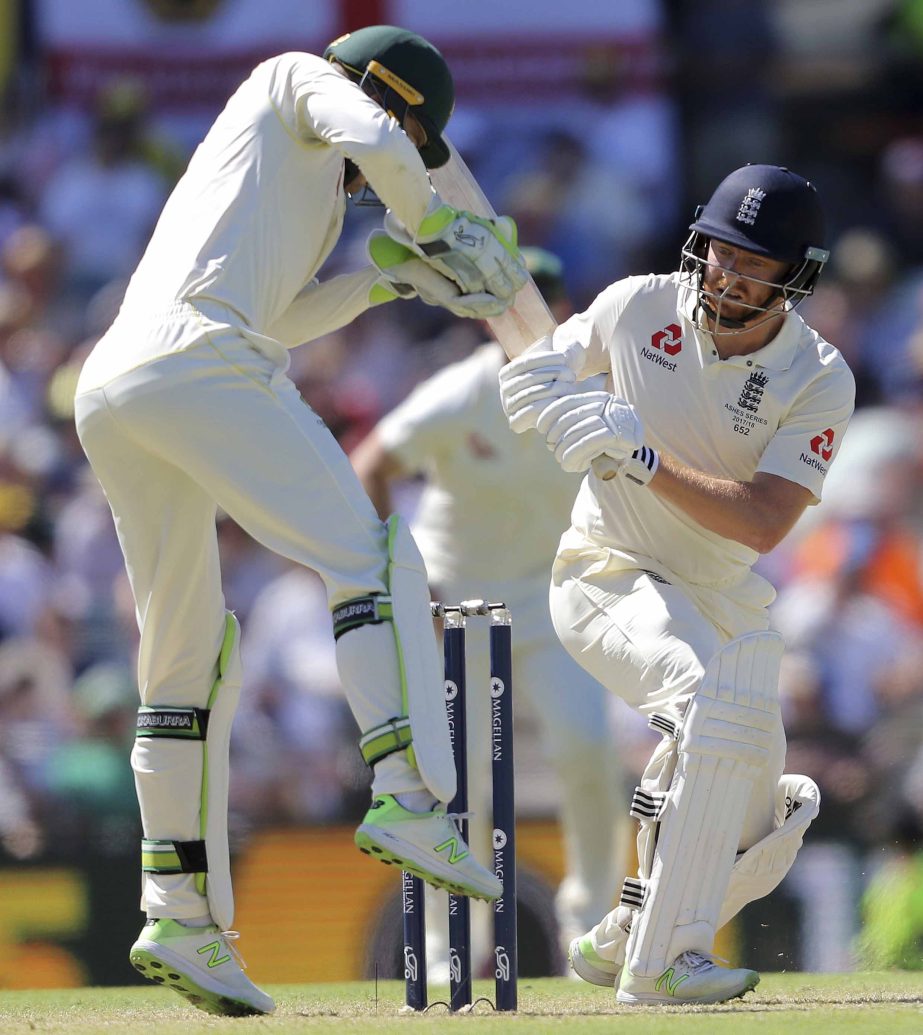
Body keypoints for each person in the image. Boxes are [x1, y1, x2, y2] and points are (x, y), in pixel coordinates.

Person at [72, 24, 528, 1017]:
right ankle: (408, 796)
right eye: (411, 139)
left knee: (186, 655)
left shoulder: (295, 189)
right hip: (196, 361)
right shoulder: (298, 81)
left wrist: (392, 276)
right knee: (373, 555)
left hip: (120, 385)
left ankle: (179, 916)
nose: (387, 174)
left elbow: (278, 320)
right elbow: (374, 129)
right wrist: (438, 223)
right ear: (398, 105)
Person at [498, 165, 855, 1005]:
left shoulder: (817, 375)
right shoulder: (637, 304)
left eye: (752, 263)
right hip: (605, 570)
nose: (727, 273)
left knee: (768, 819)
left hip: (719, 593)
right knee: (709, 702)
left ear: (793, 278)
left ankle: (630, 927)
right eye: (719, 251)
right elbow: (526, 377)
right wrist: (554, 405)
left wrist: (644, 458)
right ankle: (666, 959)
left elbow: (766, 520)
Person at [350, 248, 623, 977]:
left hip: (550, 597)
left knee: (587, 746)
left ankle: (593, 930)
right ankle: (446, 948)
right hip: (455, 597)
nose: (521, 325)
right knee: (459, 774)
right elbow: (370, 465)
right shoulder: (462, 393)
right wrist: (406, 585)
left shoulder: (594, 393)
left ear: (565, 315)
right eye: (503, 313)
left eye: (536, 308)